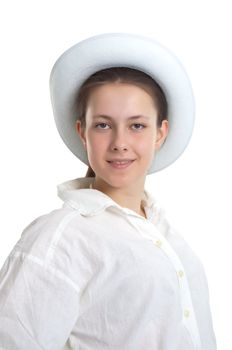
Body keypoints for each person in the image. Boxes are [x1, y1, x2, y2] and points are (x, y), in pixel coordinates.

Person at [0, 33, 217, 349]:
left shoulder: (163, 231)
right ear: (82, 132)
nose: (119, 142)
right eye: (103, 124)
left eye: (137, 125)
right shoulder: (59, 238)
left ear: (160, 133)